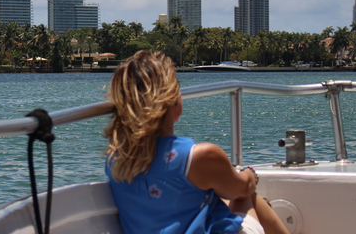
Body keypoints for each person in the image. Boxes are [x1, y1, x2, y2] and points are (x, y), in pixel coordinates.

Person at [104, 50, 289, 234]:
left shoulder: (116, 159)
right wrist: (250, 174)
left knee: (217, 198)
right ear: (173, 99)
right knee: (246, 196)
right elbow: (242, 189)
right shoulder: (198, 156)